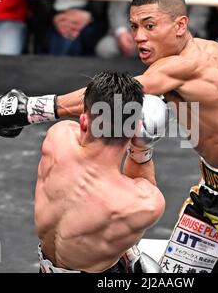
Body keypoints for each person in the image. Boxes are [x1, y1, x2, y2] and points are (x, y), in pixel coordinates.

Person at [0, 0, 218, 273]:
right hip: (212, 195)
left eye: (150, 26)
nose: (139, 37)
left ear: (180, 25)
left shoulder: (185, 66)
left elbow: (113, 96)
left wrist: (31, 109)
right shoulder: (213, 49)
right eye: (134, 26)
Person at [34, 71, 167, 272]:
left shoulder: (57, 138)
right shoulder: (146, 203)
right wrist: (142, 148)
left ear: (84, 121)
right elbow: (141, 186)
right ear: (135, 130)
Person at [95, 0, 212, 59]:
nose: (139, 37)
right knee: (106, 48)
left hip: (180, 33)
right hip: (132, 30)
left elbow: (202, 1)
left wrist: (183, 35)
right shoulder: (138, 34)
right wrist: (121, 31)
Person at [28, 0, 110, 56]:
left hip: (91, 14)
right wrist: (55, 17)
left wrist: (88, 15)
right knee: (65, 42)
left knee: (69, 43)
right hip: (52, 14)